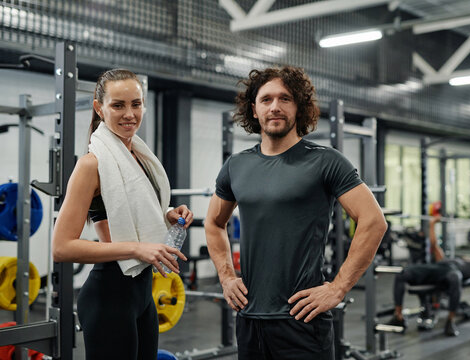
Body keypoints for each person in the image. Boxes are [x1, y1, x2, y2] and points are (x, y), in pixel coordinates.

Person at [204, 65, 387, 360]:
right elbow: (213, 223)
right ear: (254, 110)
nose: (275, 107)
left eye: (285, 99)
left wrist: (338, 288)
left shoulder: (327, 162)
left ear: (298, 107)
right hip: (250, 318)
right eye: (266, 100)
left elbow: (374, 221)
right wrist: (226, 278)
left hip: (302, 319)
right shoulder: (235, 166)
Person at [52, 69, 193, 360]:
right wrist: (138, 248)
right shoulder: (91, 165)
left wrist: (166, 214)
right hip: (109, 296)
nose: (129, 114)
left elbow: (130, 208)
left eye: (136, 104)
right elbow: (61, 247)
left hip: (142, 293)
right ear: (99, 108)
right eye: (118, 105)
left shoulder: (138, 157)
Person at [388, 216, 470, 337]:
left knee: (455, 276)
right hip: (436, 269)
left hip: (451, 274)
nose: (467, 257)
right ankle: (398, 316)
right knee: (402, 273)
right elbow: (434, 245)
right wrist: (432, 224)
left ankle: (450, 321)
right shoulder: (448, 260)